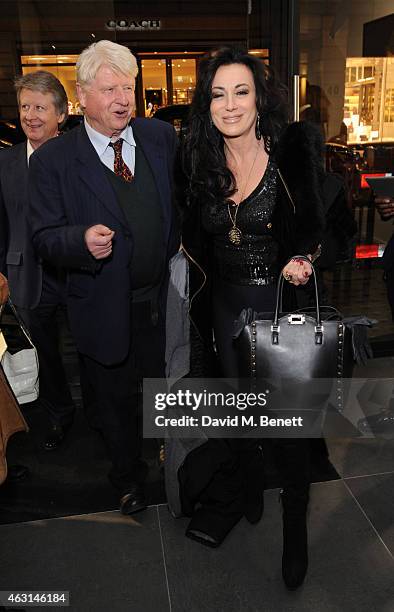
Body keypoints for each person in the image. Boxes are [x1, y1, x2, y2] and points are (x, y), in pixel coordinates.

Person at [178, 47, 325, 589]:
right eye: (218, 94)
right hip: (224, 311)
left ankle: (295, 532)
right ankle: (245, 490)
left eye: (240, 91)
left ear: (260, 99)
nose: (230, 104)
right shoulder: (199, 159)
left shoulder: (293, 149)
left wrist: (305, 258)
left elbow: (320, 226)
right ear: (207, 104)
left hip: (279, 311)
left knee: (289, 430)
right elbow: (193, 236)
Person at [28, 40, 178, 515]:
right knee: (112, 401)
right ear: (82, 96)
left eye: (129, 87)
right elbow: (44, 237)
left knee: (163, 389)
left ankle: (169, 464)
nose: (123, 98)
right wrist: (79, 241)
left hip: (160, 300)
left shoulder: (159, 138)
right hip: (101, 304)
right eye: (110, 87)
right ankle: (127, 478)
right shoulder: (55, 160)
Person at [0, 71, 75, 452]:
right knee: (44, 353)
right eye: (25, 106)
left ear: (60, 114)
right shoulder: (5, 162)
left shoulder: (82, 157)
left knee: (90, 350)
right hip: (26, 275)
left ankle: (100, 412)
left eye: (40, 107)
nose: (30, 115)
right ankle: (60, 413)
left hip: (78, 274)